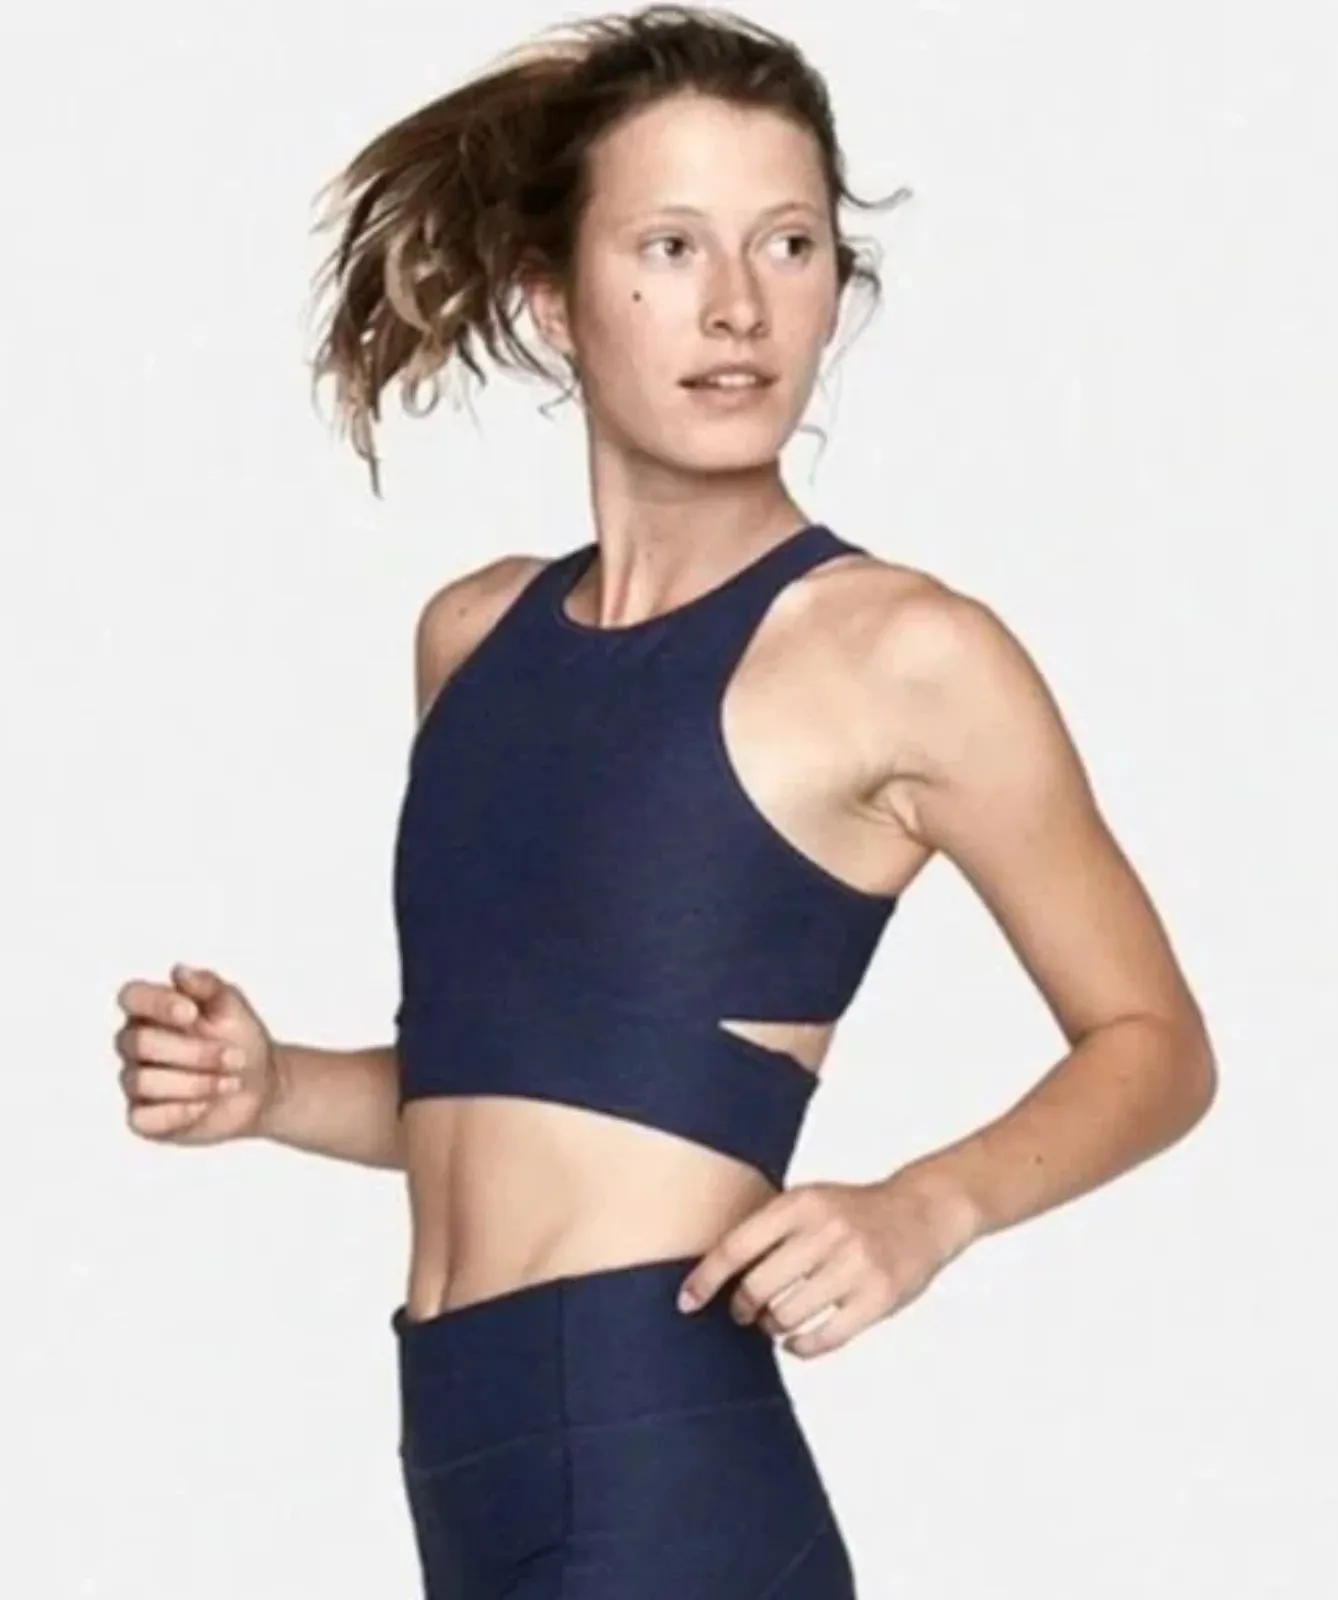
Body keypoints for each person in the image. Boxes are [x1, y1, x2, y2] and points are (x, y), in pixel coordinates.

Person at [113, 6, 1218, 1596]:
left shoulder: (902, 654)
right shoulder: (471, 637)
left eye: (788, 244)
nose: (737, 307)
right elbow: (534, 1082)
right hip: (459, 1458)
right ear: (550, 299)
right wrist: (274, 1085)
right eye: (670, 245)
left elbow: (1155, 1043)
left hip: (660, 1463)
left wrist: (925, 1210)